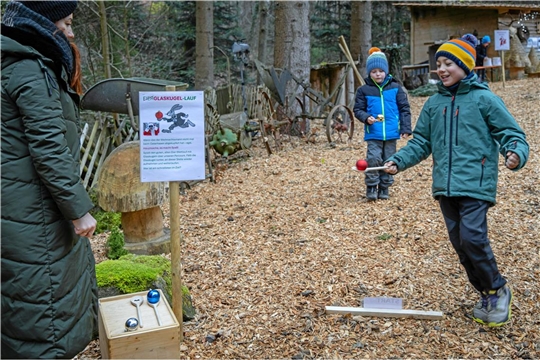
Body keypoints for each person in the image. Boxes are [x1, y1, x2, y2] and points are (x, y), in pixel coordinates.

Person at [383, 38, 529, 327]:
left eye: (448, 63)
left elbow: (512, 134)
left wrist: (515, 153)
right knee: (461, 245)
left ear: (464, 65)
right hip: (445, 187)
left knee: (473, 238)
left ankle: (498, 289)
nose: (442, 69)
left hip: (476, 183)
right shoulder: (434, 104)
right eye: (439, 64)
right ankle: (486, 294)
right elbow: (421, 142)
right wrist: (398, 161)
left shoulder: (484, 99)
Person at [1, 1, 99, 358]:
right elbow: (49, 148)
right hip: (35, 214)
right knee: (45, 318)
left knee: (25, 309)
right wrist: (78, 210)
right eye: (67, 23)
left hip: (19, 209)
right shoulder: (28, 67)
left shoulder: (15, 60)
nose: (71, 33)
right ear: (42, 22)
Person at [353, 48, 411, 201]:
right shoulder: (364, 90)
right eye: (374, 71)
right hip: (374, 132)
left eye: (380, 71)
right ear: (369, 73)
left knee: (389, 160)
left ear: (386, 71)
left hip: (392, 132)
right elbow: (358, 109)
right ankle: (371, 186)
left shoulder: (396, 88)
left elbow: (404, 108)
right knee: (373, 159)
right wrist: (366, 118)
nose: (378, 74)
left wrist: (405, 128)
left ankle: (384, 187)